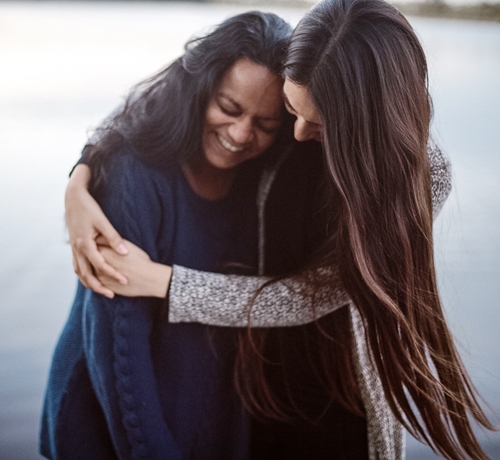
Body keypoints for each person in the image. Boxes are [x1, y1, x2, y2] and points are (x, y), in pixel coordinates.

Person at [58, 1, 494, 460]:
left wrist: (169, 284)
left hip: (343, 396)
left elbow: (319, 292)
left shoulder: (423, 176)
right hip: (256, 385)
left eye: (320, 124)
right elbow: (170, 94)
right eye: (290, 109)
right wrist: (80, 176)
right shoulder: (297, 81)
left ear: (364, 120)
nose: (299, 132)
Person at [41, 11, 304, 460]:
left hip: (210, 411)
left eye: (265, 125)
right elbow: (118, 352)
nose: (241, 135)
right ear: (200, 88)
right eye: (228, 107)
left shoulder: (265, 181)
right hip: (111, 421)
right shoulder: (134, 173)